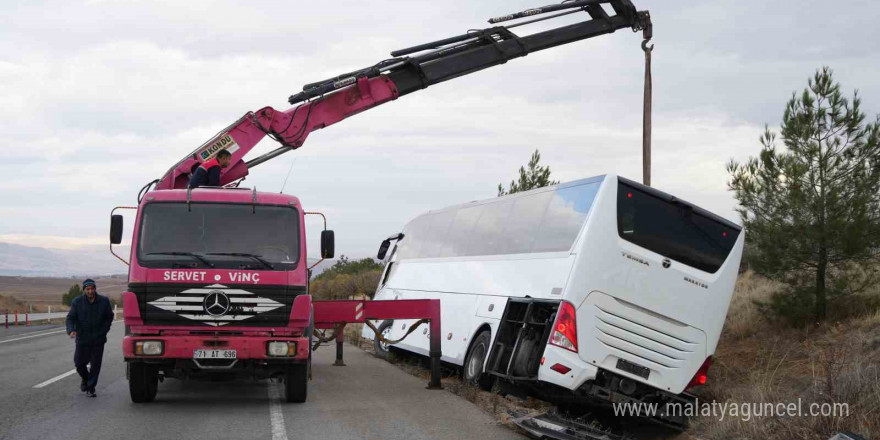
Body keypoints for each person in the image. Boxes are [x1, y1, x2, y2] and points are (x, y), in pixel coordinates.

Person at [66, 279, 114, 397]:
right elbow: (70, 318)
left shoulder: (104, 301)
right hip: (82, 339)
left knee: (95, 365)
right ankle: (86, 379)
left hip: (98, 339)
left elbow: (109, 317)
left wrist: (104, 330)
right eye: (88, 289)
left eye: (92, 288)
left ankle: (91, 388)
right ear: (84, 290)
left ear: (95, 289)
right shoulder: (77, 302)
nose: (90, 291)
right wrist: (71, 330)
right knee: (79, 364)